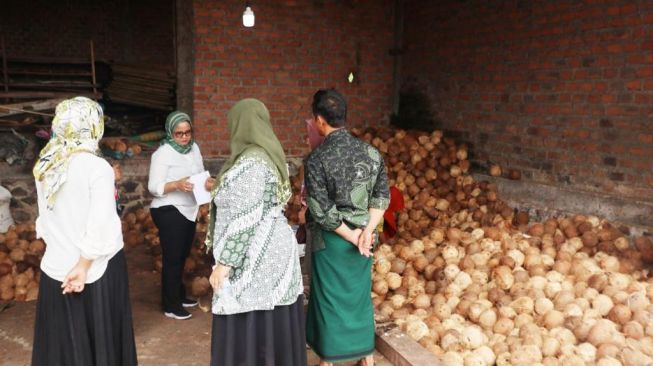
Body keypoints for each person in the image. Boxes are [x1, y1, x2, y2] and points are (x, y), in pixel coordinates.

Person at [32, 96, 137, 365]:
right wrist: (82, 264)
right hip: (93, 271)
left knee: (62, 347)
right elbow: (101, 223)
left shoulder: (45, 166)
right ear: (93, 125)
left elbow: (44, 222)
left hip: (55, 266)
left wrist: (64, 254)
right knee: (100, 345)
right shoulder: (97, 167)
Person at [206, 98, 306, 366]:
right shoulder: (266, 155)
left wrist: (224, 265)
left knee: (252, 319)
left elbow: (245, 219)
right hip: (271, 250)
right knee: (270, 324)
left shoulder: (252, 163)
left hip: (258, 256)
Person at [304, 89, 390, 366]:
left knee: (329, 300)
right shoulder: (371, 152)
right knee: (359, 298)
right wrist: (367, 230)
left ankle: (329, 360)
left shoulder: (317, 159)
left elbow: (321, 210)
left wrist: (352, 234)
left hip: (334, 241)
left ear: (319, 120)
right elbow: (381, 196)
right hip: (365, 239)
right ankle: (366, 356)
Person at [148, 111, 214, 320]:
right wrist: (176, 184)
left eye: (187, 132)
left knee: (183, 255)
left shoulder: (194, 148)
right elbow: (153, 187)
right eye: (179, 134)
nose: (184, 137)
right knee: (173, 258)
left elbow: (201, 174)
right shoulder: (163, 153)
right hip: (168, 208)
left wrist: (208, 183)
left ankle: (179, 295)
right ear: (170, 133)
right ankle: (171, 305)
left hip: (189, 209)